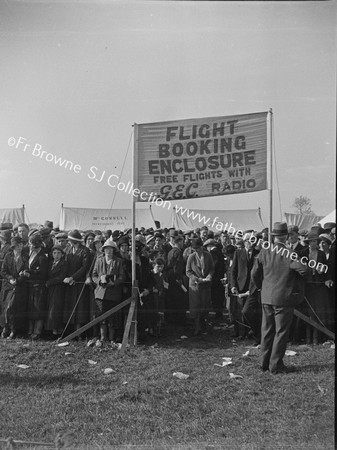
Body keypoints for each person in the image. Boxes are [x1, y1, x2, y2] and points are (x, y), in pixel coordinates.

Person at [251, 222, 308, 374]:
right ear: (286, 237)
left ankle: (264, 363)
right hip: (284, 297)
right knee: (281, 332)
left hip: (266, 296)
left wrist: (261, 287)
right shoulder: (290, 253)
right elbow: (304, 270)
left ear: (274, 237)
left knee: (267, 330)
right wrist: (296, 282)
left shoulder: (264, 252)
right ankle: (276, 365)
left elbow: (254, 274)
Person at [92, 239, 125, 344]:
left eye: (110, 249)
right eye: (106, 249)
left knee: (113, 317)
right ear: (103, 250)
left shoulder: (118, 261)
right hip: (100, 293)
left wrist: (114, 283)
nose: (108, 251)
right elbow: (94, 275)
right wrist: (98, 282)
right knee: (102, 316)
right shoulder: (99, 260)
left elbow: (122, 276)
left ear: (114, 250)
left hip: (113, 293)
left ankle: (111, 338)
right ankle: (102, 337)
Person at [63, 230, 91, 334]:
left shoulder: (85, 251)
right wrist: (68, 278)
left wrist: (73, 277)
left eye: (70, 240)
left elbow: (84, 267)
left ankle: (79, 332)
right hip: (69, 283)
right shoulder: (68, 250)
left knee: (79, 307)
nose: (68, 242)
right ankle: (70, 331)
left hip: (79, 282)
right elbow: (65, 265)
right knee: (69, 306)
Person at [0, 236, 29, 339]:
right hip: (8, 286)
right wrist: (10, 278)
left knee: (12, 308)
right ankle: (6, 328)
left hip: (19, 287)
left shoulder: (25, 257)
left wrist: (18, 279)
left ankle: (13, 330)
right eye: (17, 245)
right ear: (13, 246)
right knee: (6, 308)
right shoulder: (8, 256)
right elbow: (3, 271)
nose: (19, 247)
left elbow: (27, 272)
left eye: (21, 245)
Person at [186, 237, 214, 336]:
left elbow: (211, 268)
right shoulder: (191, 257)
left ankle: (204, 326)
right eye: (195, 249)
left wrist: (209, 276)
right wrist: (197, 279)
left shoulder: (208, 256)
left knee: (204, 305)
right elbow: (188, 272)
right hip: (195, 285)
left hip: (205, 285)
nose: (196, 250)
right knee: (195, 306)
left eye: (198, 248)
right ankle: (197, 328)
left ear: (202, 247)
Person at [26, 234, 49, 339]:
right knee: (32, 308)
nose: (29, 245)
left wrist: (30, 272)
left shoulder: (42, 257)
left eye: (31, 243)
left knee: (38, 309)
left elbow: (43, 273)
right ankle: (30, 330)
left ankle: (37, 331)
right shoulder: (31, 254)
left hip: (39, 286)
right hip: (31, 285)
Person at [45, 245, 68, 338]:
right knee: (50, 308)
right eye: (54, 253)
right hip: (50, 289)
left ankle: (57, 332)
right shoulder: (50, 263)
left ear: (62, 254)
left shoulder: (64, 263)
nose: (56, 255)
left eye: (59, 253)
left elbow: (61, 277)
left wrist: (50, 282)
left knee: (56, 309)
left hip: (59, 288)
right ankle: (51, 330)